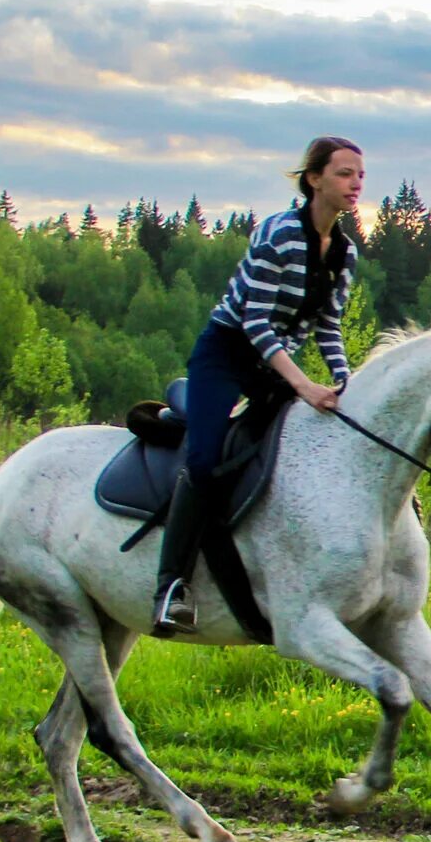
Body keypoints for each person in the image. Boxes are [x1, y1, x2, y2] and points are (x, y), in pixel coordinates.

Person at [152, 136, 364, 635]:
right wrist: (304, 386)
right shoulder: (279, 235)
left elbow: (329, 327)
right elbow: (256, 324)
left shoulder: (345, 253)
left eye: (360, 175)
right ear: (314, 180)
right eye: (343, 174)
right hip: (227, 352)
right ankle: (170, 588)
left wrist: (344, 381)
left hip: (275, 364)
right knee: (204, 462)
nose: (355, 183)